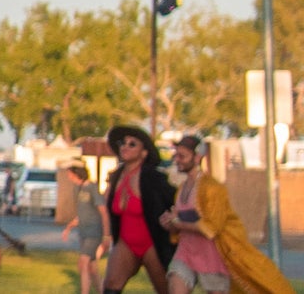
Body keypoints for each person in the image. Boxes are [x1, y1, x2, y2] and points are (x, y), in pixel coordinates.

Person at [165, 134, 296, 294]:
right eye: (176, 155)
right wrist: (170, 224)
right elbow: (178, 229)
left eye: (182, 156)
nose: (177, 159)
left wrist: (178, 223)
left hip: (211, 256)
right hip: (186, 253)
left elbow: (211, 229)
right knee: (175, 283)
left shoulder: (212, 188)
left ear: (198, 157)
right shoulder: (181, 189)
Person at [107, 125, 176, 294]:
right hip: (125, 243)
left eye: (132, 144)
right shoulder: (116, 176)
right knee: (110, 286)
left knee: (165, 289)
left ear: (144, 152)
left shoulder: (153, 177)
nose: (125, 146)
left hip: (152, 243)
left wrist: (173, 218)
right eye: (123, 143)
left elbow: (175, 200)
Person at [64, 162, 109, 294]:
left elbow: (103, 212)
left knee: (83, 263)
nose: (69, 177)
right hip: (83, 231)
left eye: (70, 174)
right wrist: (70, 226)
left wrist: (106, 235)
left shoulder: (92, 187)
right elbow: (83, 212)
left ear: (77, 174)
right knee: (92, 267)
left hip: (94, 232)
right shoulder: (78, 189)